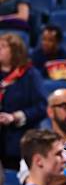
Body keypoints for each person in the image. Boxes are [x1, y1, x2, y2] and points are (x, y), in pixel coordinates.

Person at [0, 33, 46, 170]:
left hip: (20, 142)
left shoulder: (30, 75)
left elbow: (42, 107)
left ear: (15, 50)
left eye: (3, 47)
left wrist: (15, 117)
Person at [30, 25, 66, 90]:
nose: (45, 43)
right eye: (44, 39)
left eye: (50, 40)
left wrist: (52, 64)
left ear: (58, 42)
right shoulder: (35, 55)